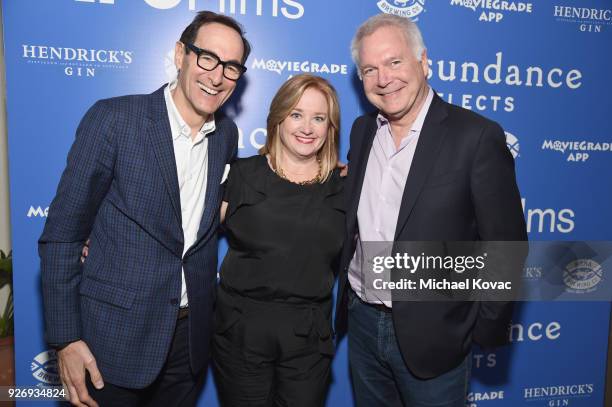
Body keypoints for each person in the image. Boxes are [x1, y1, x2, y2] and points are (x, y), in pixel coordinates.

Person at [39, 11, 250, 407]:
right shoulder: (115, 119)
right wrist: (66, 339)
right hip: (112, 342)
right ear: (180, 54)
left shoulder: (226, 134)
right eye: (207, 58)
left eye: (231, 67)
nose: (217, 75)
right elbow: (63, 234)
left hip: (188, 344)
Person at [334, 14, 528, 407]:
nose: (383, 79)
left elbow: (506, 245)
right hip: (363, 322)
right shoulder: (362, 131)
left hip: (436, 334)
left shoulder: (476, 137)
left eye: (394, 62)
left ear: (423, 62)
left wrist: (473, 328)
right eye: (369, 69)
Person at [212, 74, 345, 407]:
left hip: (309, 339)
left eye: (319, 118)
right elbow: (187, 233)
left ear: (330, 128)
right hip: (240, 333)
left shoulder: (345, 187)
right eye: (297, 114)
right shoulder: (242, 174)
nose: (307, 127)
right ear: (278, 118)